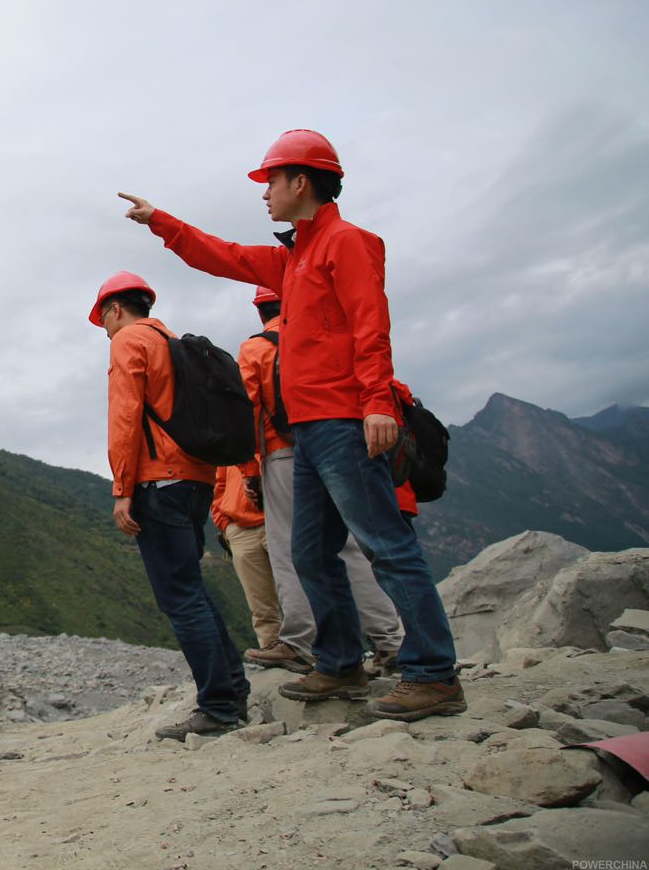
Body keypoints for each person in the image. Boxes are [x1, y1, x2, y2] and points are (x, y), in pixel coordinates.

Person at [119, 129, 464, 721]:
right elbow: (223, 255)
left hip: (344, 419)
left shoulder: (348, 244)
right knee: (309, 553)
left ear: (301, 182)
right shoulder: (295, 257)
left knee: (385, 544)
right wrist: (161, 221)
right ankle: (340, 664)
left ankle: (433, 673)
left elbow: (369, 324)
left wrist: (378, 401)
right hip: (307, 429)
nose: (265, 194)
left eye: (271, 181)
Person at [90, 271, 250, 739]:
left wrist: (122, 489)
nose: (103, 327)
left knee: (179, 596)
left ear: (116, 309)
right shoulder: (175, 343)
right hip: (197, 480)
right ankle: (233, 689)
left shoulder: (129, 342)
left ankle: (218, 706)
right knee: (192, 589)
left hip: (158, 483)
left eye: (102, 317)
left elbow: (125, 418)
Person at [237, 286, 404, 677]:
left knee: (291, 549)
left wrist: (249, 472)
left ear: (260, 310)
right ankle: (391, 641)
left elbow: (251, 415)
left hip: (285, 454)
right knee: (350, 548)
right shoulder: (324, 336)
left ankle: (299, 642)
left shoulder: (256, 349)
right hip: (339, 445)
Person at [211, 464, 281, 656]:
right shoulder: (230, 440)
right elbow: (220, 482)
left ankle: (314, 650)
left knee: (297, 589)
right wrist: (224, 523)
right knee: (259, 601)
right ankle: (271, 647)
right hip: (239, 526)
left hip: (277, 516)